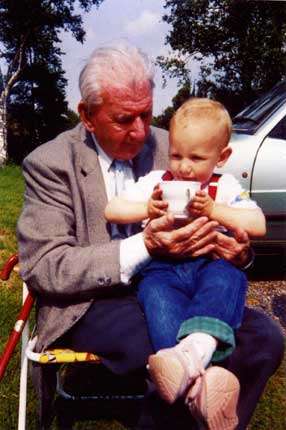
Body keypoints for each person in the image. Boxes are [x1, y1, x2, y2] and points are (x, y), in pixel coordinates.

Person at [16, 41, 284, 430]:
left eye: (147, 113)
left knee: (264, 338)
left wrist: (238, 253)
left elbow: (236, 216)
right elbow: (45, 267)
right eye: (124, 119)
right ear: (88, 116)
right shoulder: (51, 164)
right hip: (95, 300)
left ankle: (198, 397)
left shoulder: (174, 147)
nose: (142, 131)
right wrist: (146, 245)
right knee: (171, 345)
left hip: (188, 281)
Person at [104, 98, 266, 429]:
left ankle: (192, 356)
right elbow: (113, 209)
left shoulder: (225, 186)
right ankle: (199, 388)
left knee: (227, 278)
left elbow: (257, 223)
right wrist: (148, 209)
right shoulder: (156, 183)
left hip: (210, 262)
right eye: (176, 155)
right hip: (161, 269)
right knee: (159, 303)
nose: (184, 167)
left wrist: (214, 212)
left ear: (222, 157)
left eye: (196, 157)